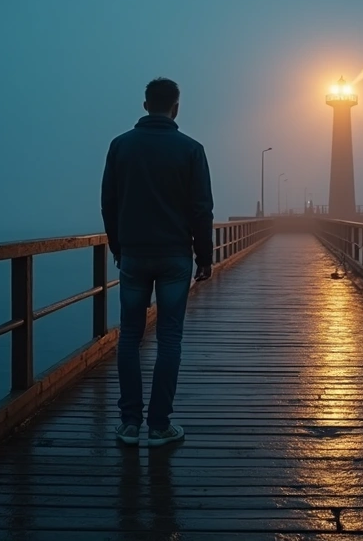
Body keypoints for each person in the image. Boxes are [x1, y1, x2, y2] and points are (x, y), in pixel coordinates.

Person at [101, 77, 214, 447]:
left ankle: (129, 424)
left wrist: (119, 246)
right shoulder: (191, 150)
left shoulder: (120, 146)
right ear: (176, 107)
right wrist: (204, 256)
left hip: (133, 255)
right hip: (174, 257)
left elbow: (109, 203)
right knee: (169, 339)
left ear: (146, 104)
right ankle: (159, 425)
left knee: (129, 337)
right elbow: (201, 209)